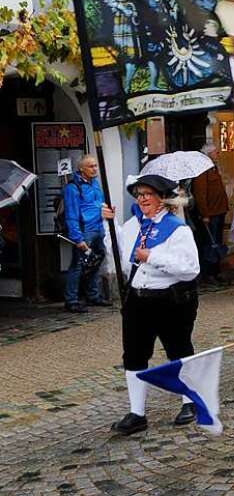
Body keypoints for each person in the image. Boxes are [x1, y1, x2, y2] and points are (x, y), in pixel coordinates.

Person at [102, 174, 200, 435]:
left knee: (178, 351)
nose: (142, 198)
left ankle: (189, 401)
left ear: (161, 198)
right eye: (139, 194)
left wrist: (152, 256)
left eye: (147, 194)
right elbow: (120, 262)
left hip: (170, 300)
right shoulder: (133, 226)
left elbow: (190, 269)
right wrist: (108, 227)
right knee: (133, 356)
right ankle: (137, 414)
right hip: (137, 300)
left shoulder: (178, 230)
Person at [63, 155, 110, 312]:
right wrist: (78, 237)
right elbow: (71, 214)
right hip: (85, 231)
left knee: (95, 261)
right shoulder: (73, 187)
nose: (95, 169)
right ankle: (71, 300)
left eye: (96, 165)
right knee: (78, 265)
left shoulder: (95, 183)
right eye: (91, 166)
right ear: (81, 169)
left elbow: (99, 204)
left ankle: (93, 296)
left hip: (98, 228)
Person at [191, 145, 229, 283]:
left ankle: (216, 271)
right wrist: (205, 214)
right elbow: (200, 194)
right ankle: (209, 273)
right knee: (210, 244)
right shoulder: (202, 171)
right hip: (211, 213)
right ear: (208, 154)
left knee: (216, 243)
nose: (218, 154)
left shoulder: (213, 168)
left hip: (219, 211)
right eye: (215, 152)